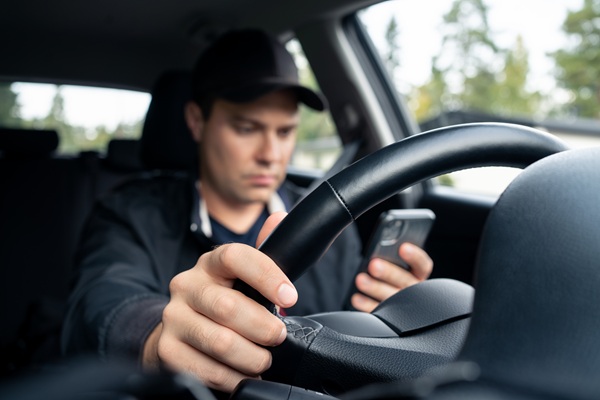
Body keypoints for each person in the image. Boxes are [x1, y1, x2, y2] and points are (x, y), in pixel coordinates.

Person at [61, 29, 433, 393]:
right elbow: (102, 301)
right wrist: (157, 338)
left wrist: (392, 320)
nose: (270, 155)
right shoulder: (130, 211)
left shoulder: (328, 221)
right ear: (196, 121)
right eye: (246, 128)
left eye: (285, 132)